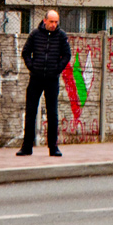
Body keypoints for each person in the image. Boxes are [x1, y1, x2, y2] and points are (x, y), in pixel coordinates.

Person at [18, 9, 71, 156]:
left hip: (52, 79)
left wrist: (57, 69)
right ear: (45, 20)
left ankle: (53, 147)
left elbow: (67, 55)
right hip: (36, 78)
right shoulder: (35, 34)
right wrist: (32, 67)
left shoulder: (61, 36)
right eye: (51, 22)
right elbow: (25, 52)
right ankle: (27, 146)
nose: (54, 25)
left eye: (56, 22)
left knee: (52, 114)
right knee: (30, 112)